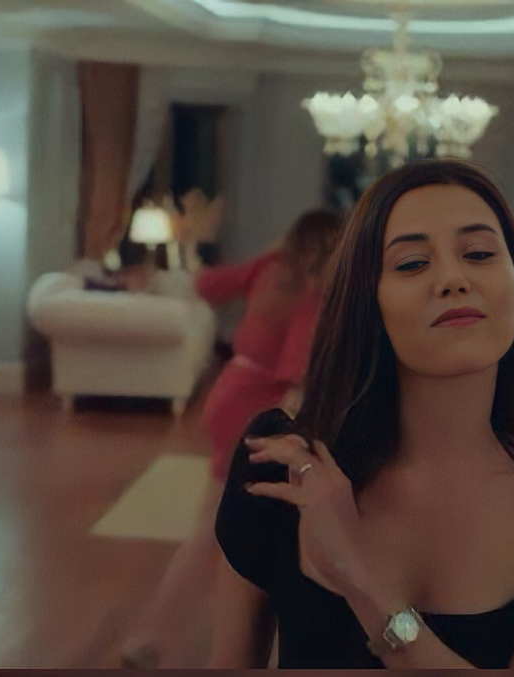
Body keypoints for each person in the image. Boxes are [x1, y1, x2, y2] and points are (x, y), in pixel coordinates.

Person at [207, 159, 514, 669]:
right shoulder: (285, 468)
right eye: (411, 264)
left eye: (479, 254)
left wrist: (360, 577)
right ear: (368, 301)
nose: (453, 279)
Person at [121, 208, 342, 668]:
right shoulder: (314, 292)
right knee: (219, 531)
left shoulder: (270, 266)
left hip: (228, 391)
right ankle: (155, 635)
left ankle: (164, 632)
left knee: (224, 524)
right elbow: (297, 370)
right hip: (257, 408)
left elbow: (208, 285)